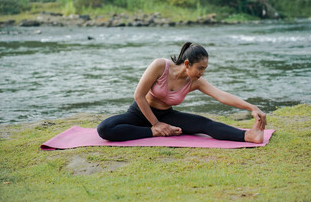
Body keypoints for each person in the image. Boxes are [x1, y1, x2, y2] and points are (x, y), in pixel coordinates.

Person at [97, 42, 267, 143]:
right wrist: (155, 126)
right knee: (105, 128)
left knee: (204, 123)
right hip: (140, 112)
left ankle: (248, 135)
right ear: (187, 64)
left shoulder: (196, 82)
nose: (202, 73)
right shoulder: (160, 66)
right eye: (200, 68)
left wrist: (251, 107)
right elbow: (138, 96)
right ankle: (151, 131)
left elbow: (221, 95)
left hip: (166, 116)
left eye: (205, 69)